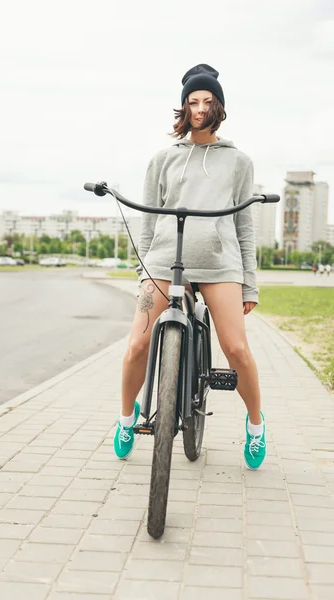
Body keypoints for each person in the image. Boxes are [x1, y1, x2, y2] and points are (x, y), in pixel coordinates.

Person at [113, 63, 266, 470]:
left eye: (207, 100)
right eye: (192, 101)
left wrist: (249, 284)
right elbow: (149, 220)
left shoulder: (238, 161)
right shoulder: (163, 159)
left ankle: (255, 424)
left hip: (219, 264)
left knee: (236, 347)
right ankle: (127, 418)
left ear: (219, 106)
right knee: (137, 345)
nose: (200, 108)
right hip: (165, 259)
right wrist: (144, 270)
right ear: (183, 108)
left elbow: (244, 227)